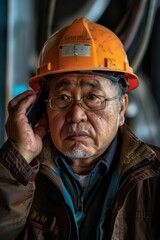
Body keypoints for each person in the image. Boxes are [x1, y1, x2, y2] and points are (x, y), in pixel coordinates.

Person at [0, 17, 160, 240]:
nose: (75, 115)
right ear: (43, 107)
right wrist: (19, 157)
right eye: (63, 97)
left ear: (121, 109)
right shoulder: (21, 173)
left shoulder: (154, 177)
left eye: (93, 97)